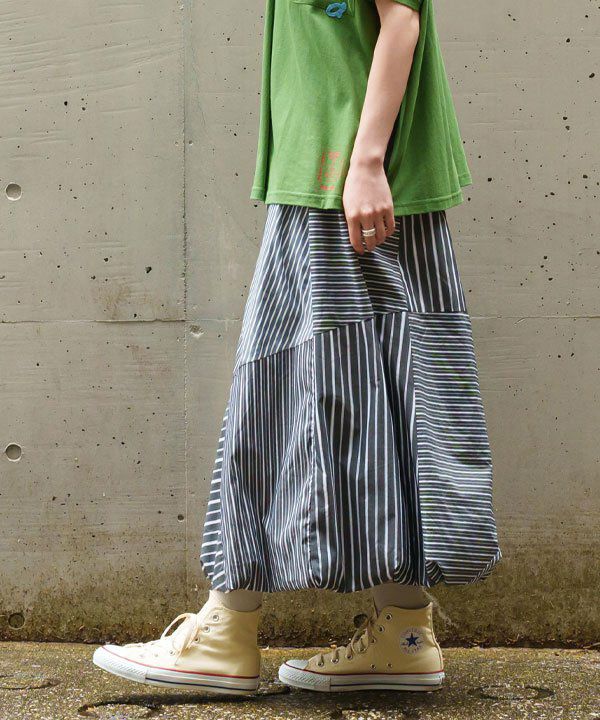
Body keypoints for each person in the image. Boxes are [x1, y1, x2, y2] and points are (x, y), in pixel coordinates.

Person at [93, 0, 501, 694]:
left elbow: (401, 19)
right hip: (352, 180)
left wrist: (365, 162)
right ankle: (403, 631)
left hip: (345, 183)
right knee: (385, 393)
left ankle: (226, 630)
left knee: (278, 394)